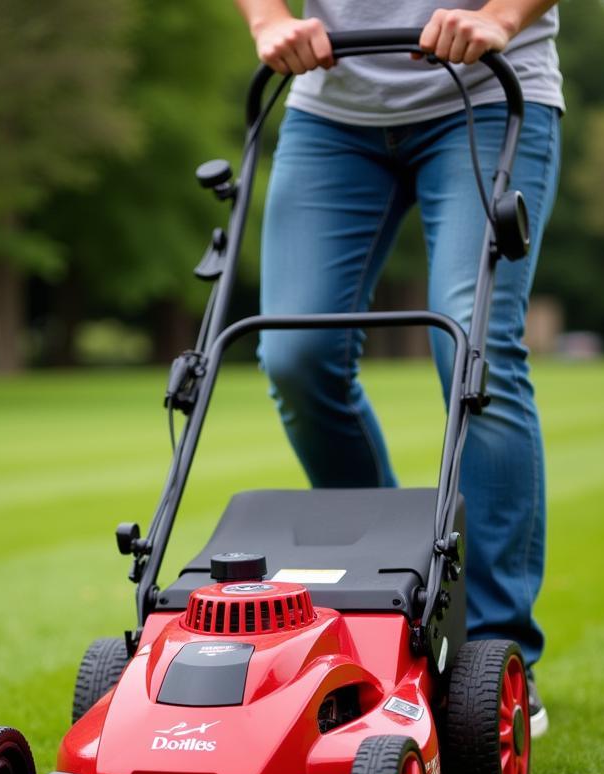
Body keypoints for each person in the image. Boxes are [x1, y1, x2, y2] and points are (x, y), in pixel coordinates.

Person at [234, 1, 563, 736]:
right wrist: (266, 22)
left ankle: (494, 650)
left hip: (486, 84)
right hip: (331, 108)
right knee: (296, 351)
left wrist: (504, 17)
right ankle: (386, 581)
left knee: (472, 348)